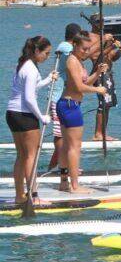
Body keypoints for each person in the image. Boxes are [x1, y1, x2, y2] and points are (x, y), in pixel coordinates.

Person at [56, 32, 108, 193]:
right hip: (70, 106)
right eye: (84, 49)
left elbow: (85, 82)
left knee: (67, 146)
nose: (86, 52)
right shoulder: (72, 61)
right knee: (74, 147)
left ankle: (64, 182)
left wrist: (97, 73)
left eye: (88, 49)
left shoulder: (78, 61)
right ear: (75, 46)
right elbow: (79, 87)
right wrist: (98, 90)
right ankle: (75, 186)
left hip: (69, 104)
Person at [6, 36, 54, 203]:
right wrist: (41, 116)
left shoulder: (24, 64)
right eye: (46, 53)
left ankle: (20, 196)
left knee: (22, 155)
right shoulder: (31, 69)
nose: (47, 57)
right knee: (31, 156)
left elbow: (31, 87)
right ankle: (34, 197)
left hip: (12, 113)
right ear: (36, 51)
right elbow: (29, 98)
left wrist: (48, 80)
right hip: (25, 115)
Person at [46, 23, 79, 180]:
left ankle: (59, 164)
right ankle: (63, 169)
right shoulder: (65, 46)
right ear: (75, 36)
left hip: (63, 97)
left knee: (64, 133)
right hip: (57, 95)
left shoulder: (68, 47)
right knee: (60, 134)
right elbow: (82, 55)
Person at [89, 20, 121, 142]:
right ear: (92, 23)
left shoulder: (106, 37)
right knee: (103, 103)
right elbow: (95, 57)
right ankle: (98, 134)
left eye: (102, 21)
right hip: (99, 74)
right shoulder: (91, 37)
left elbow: (111, 57)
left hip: (108, 74)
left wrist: (118, 50)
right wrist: (108, 44)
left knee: (108, 104)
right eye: (98, 21)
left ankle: (103, 132)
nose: (101, 23)